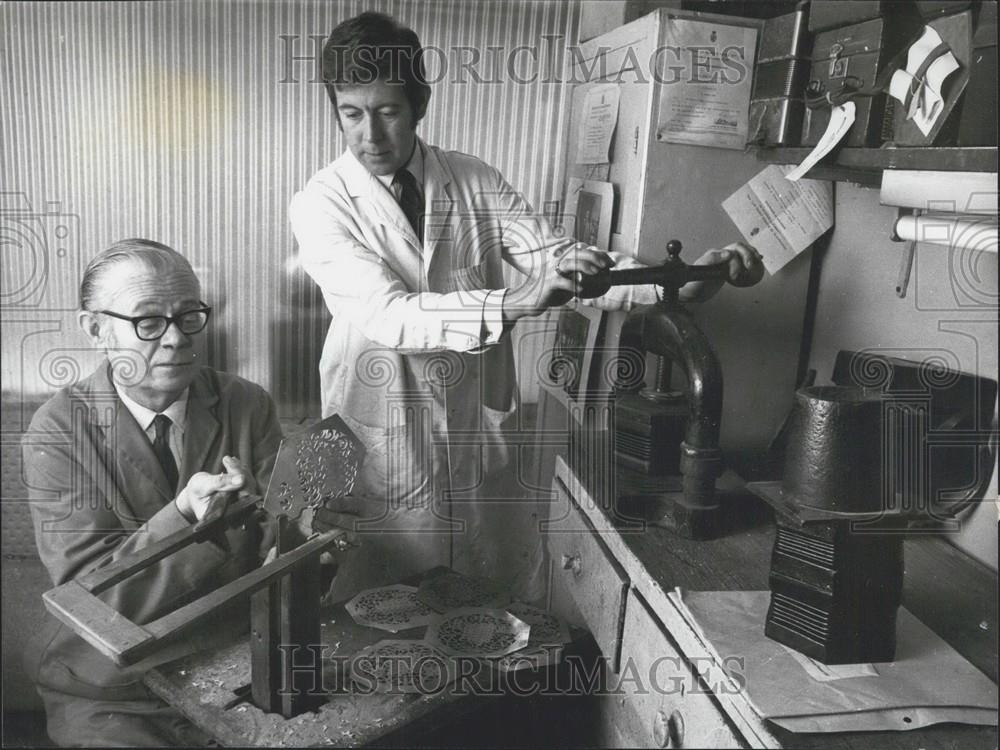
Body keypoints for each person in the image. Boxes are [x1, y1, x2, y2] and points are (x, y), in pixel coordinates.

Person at [289, 12, 763, 600]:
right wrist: (516, 299)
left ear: (419, 104)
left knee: (473, 599)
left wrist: (680, 282)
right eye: (351, 114)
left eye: (386, 111)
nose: (370, 136)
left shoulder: (471, 179)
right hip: (378, 426)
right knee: (379, 605)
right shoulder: (321, 204)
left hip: (468, 421)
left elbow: (559, 259)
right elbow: (392, 315)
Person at [24, 239, 283, 747]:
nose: (175, 340)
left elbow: (288, 543)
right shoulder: (58, 431)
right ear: (96, 329)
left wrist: (284, 526)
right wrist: (186, 516)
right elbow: (93, 603)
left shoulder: (246, 403)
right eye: (148, 322)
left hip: (234, 670)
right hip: (115, 690)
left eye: (189, 316)